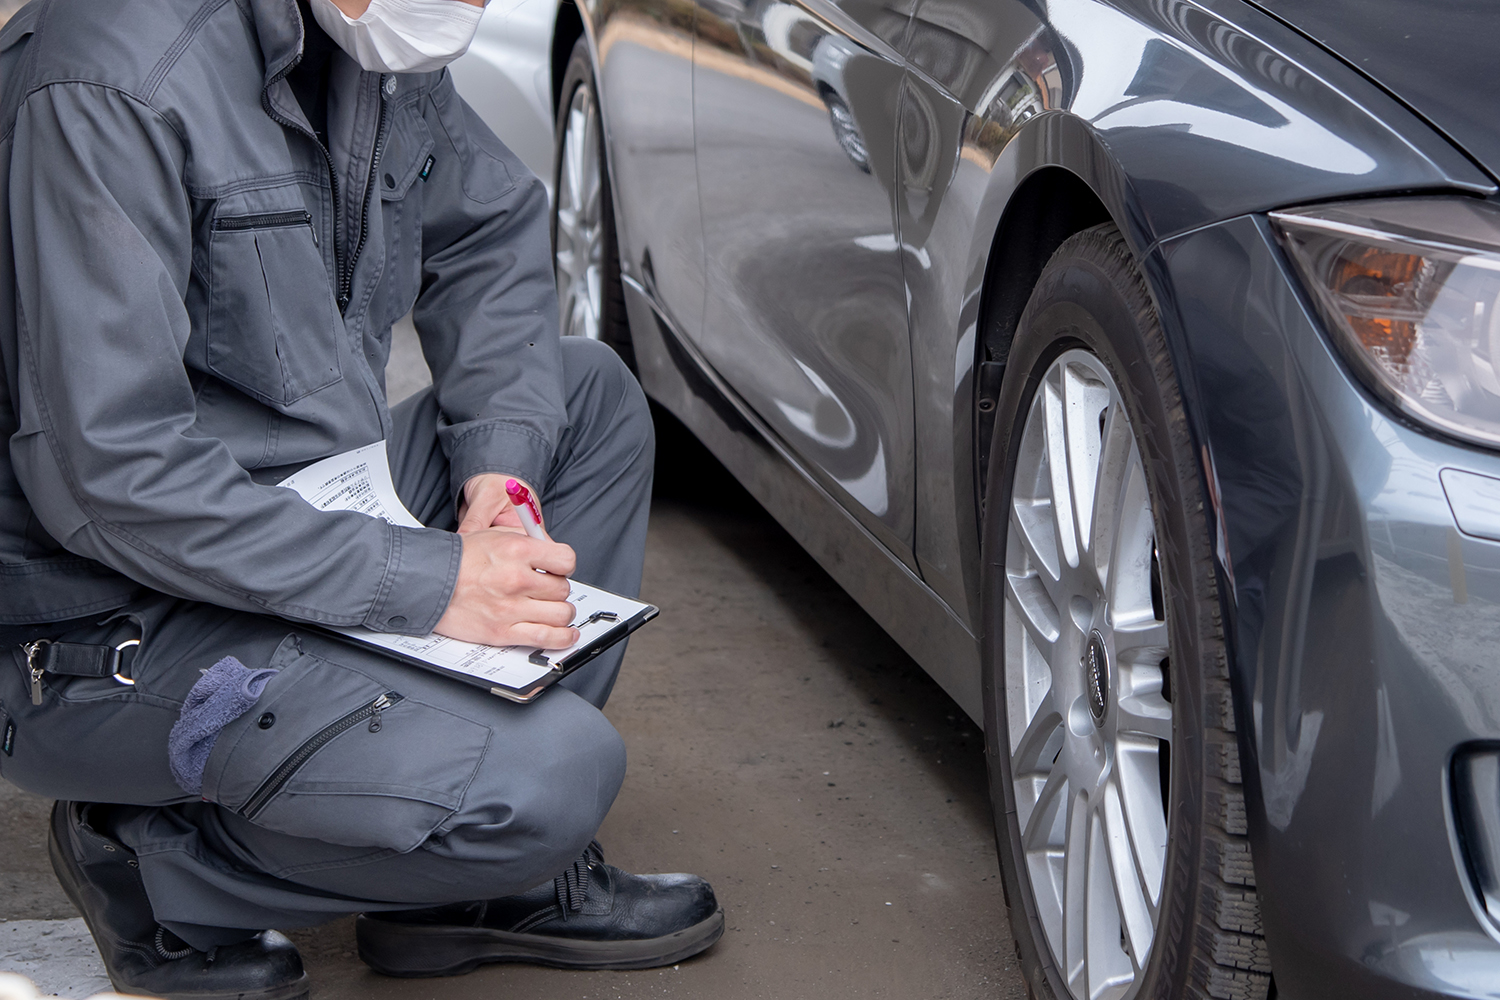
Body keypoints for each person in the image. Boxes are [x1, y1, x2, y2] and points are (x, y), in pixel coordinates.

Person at [0, 0, 723, 997]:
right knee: (548, 780)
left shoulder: (364, 49)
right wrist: (424, 581)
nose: (465, 7)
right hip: (111, 623)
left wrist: (499, 481)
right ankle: (149, 855)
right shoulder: (111, 79)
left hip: (300, 522)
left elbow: (488, 233)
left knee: (590, 396)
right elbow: (112, 481)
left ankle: (454, 892)